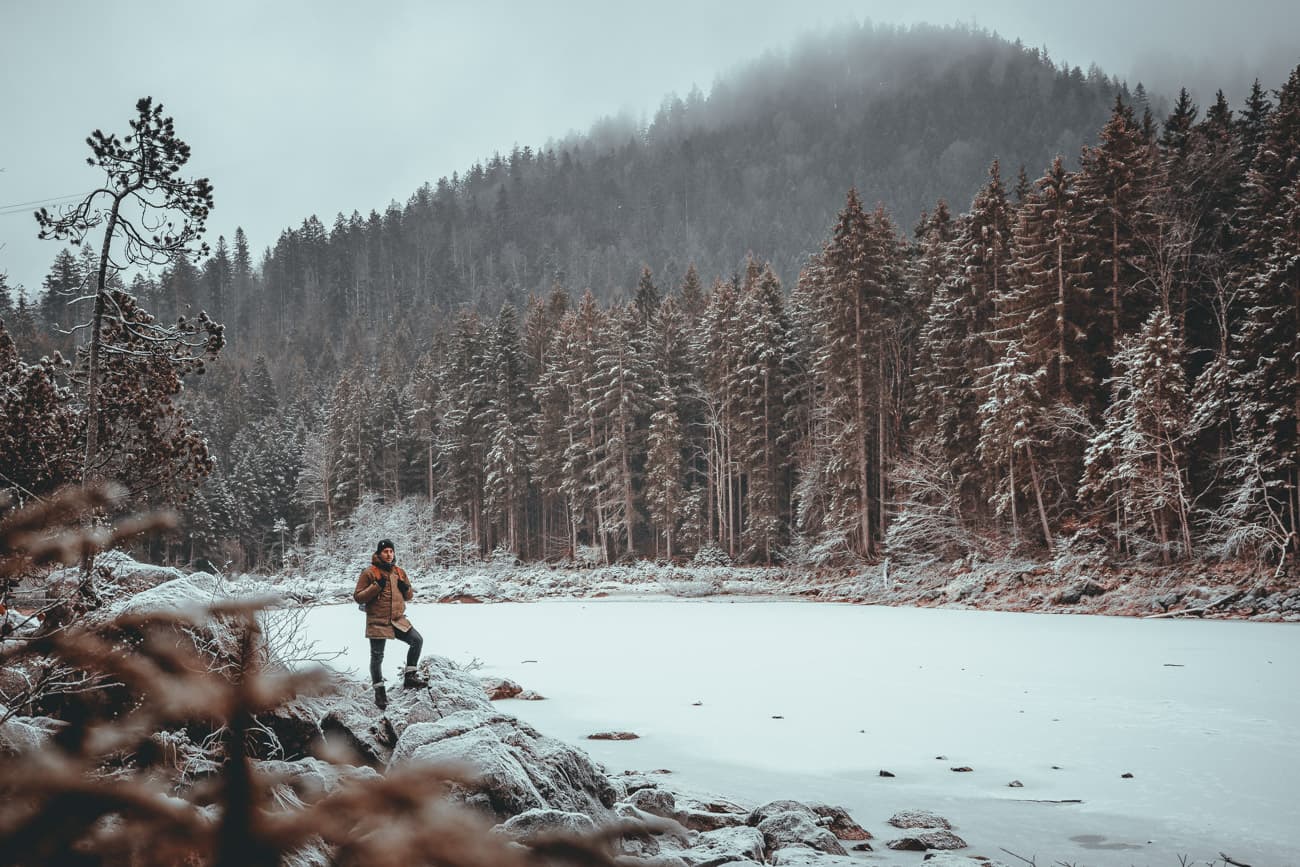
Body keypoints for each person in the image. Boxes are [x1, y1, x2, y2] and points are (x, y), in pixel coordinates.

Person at [353, 538, 426, 709]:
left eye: (391, 551)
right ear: (379, 553)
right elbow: (358, 597)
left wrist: (405, 587)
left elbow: (409, 596)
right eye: (385, 551)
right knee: (377, 657)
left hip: (397, 620)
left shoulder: (399, 572)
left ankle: (410, 678)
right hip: (378, 621)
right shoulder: (369, 573)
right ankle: (380, 693)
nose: (389, 554)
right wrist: (376, 586)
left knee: (417, 640)